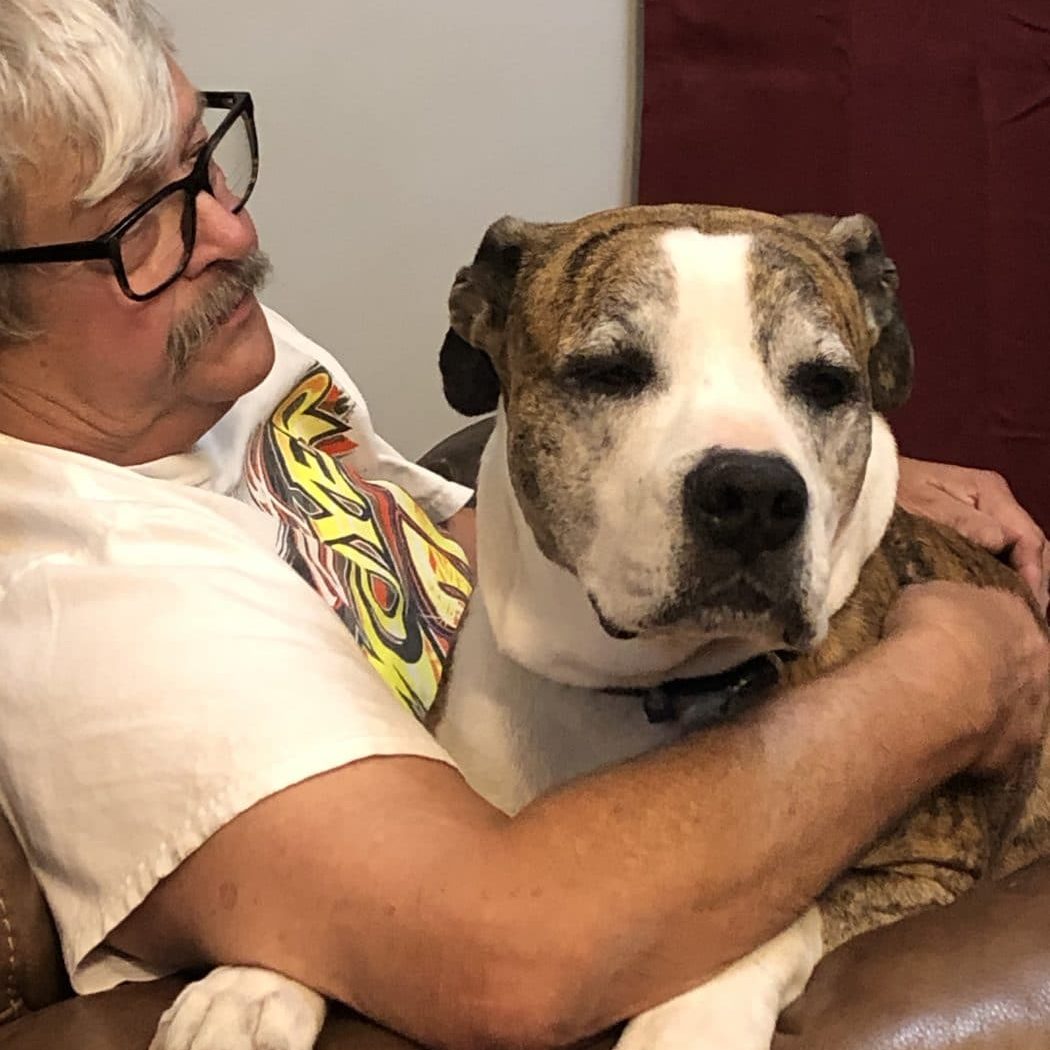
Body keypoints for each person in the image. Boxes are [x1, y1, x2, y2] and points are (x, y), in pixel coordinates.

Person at [0, 3, 1046, 1048]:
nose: (230, 231)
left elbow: (458, 509)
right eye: (139, 218)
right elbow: (504, 957)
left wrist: (819, 478)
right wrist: (949, 680)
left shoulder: (189, 368)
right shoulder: (78, 590)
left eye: (204, 162)